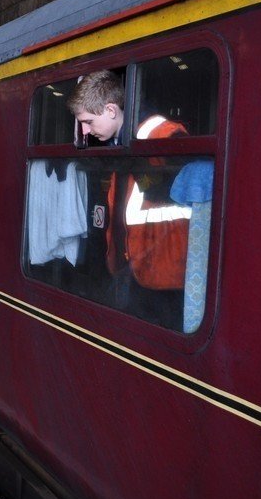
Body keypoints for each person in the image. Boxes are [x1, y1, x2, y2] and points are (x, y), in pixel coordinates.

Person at [67, 70, 189, 328]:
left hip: (164, 276)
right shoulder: (121, 142)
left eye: (88, 121)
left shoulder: (163, 135)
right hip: (133, 269)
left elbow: (190, 195)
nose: (85, 131)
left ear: (111, 110)